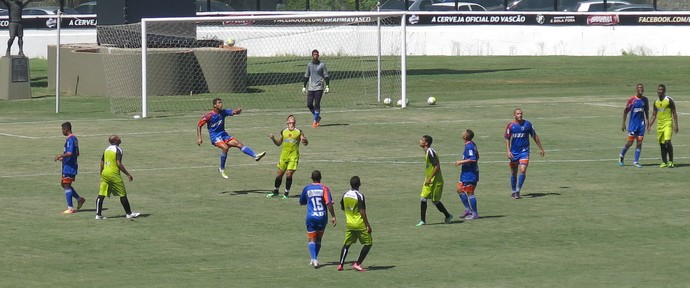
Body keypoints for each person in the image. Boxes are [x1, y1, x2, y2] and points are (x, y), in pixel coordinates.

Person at [196, 98, 266, 179]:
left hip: (223, 135)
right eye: (219, 103)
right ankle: (221, 168)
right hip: (215, 137)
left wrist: (237, 111)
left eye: (221, 103)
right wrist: (199, 138)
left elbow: (233, 112)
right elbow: (199, 125)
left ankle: (255, 156)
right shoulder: (209, 115)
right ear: (214, 105)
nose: (221, 104)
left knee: (238, 144)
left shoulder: (223, 112)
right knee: (225, 148)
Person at [95, 135, 140, 220]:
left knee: (101, 194)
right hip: (113, 174)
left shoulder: (106, 149)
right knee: (122, 194)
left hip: (105, 174)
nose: (120, 138)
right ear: (115, 141)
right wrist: (127, 174)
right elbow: (118, 163)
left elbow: (101, 162)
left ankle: (98, 214)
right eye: (118, 137)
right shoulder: (118, 150)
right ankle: (129, 213)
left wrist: (101, 174)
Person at [299, 170, 336, 269]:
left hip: (311, 217)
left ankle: (314, 259)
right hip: (322, 217)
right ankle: (314, 258)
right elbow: (328, 203)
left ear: (311, 178)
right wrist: (333, 216)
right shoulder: (324, 188)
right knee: (319, 238)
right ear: (321, 178)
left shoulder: (307, 188)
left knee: (311, 238)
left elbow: (301, 202)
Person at [505, 108, 545, 199]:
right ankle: (513, 191)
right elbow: (507, 138)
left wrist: (541, 148)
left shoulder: (528, 124)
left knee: (522, 170)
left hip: (524, 152)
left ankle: (518, 191)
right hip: (514, 152)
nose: (520, 115)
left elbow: (534, 136)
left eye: (521, 113)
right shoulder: (510, 126)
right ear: (514, 115)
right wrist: (508, 150)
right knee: (513, 172)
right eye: (518, 114)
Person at [337, 176, 372, 272]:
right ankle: (357, 263)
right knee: (368, 243)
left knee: (346, 244)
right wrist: (367, 225)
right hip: (360, 224)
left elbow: (343, 207)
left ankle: (341, 265)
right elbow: (362, 211)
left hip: (349, 224)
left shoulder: (345, 195)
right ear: (359, 184)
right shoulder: (359, 196)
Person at [268, 115, 308, 199]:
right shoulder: (283, 132)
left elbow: (305, 142)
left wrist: (305, 140)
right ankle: (275, 191)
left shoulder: (299, 132)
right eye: (290, 117)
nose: (292, 118)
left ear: (295, 122)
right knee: (279, 175)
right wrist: (273, 139)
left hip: (294, 156)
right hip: (283, 156)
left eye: (293, 118)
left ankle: (286, 193)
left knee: (289, 174)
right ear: (287, 122)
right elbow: (278, 143)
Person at [417, 135, 453, 226]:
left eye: (422, 140)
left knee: (435, 201)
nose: (420, 141)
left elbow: (437, 166)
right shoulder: (427, 152)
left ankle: (448, 215)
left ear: (426, 143)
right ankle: (423, 220)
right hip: (429, 180)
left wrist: (429, 178)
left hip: (436, 181)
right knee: (423, 198)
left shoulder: (430, 152)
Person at [54, 122, 85, 214]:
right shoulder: (74, 139)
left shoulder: (70, 139)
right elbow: (77, 153)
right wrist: (63, 158)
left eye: (62, 130)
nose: (62, 131)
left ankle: (70, 208)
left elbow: (70, 153)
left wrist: (61, 155)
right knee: (64, 184)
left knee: (66, 185)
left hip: (69, 166)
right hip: (69, 165)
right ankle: (79, 199)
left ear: (66, 129)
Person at [648, 84, 679, 168]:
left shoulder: (669, 100)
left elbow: (674, 113)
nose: (660, 91)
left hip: (668, 123)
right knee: (661, 144)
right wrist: (649, 125)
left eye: (661, 90)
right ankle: (664, 162)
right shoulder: (656, 102)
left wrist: (676, 125)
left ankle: (671, 161)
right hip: (660, 125)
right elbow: (654, 115)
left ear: (664, 91)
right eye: (659, 90)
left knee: (667, 141)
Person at [618, 83, 649, 168]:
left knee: (639, 142)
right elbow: (625, 111)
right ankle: (621, 155)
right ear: (636, 89)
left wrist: (648, 121)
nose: (641, 89)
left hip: (641, 125)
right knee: (630, 143)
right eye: (639, 88)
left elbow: (646, 111)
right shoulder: (632, 100)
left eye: (642, 88)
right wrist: (623, 123)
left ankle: (636, 161)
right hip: (633, 125)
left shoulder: (645, 100)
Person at [454, 129, 479, 220]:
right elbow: (478, 156)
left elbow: (473, 159)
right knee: (459, 189)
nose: (462, 133)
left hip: (470, 173)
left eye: (463, 132)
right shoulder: (471, 144)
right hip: (466, 172)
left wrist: (461, 162)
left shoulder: (469, 146)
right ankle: (468, 209)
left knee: (470, 192)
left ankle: (475, 213)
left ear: (465, 136)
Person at [302, 49, 330, 128]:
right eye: (314, 54)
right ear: (312, 55)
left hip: (319, 87)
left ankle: (315, 121)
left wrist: (327, 86)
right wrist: (304, 86)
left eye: (317, 54)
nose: (316, 56)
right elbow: (306, 75)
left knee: (317, 104)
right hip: (311, 87)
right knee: (309, 104)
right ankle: (317, 116)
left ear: (318, 55)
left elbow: (326, 76)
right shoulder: (309, 65)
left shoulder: (322, 65)